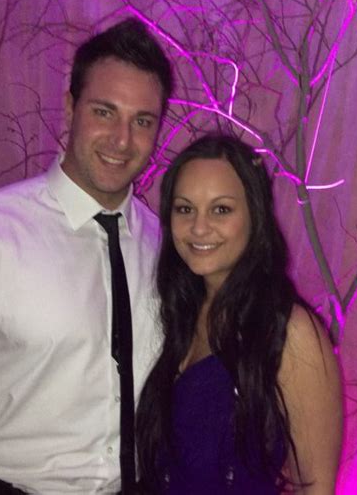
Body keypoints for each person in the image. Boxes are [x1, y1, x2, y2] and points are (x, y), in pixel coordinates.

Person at [0, 18, 173, 494]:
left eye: (142, 121)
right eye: (104, 112)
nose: (122, 139)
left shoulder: (165, 246)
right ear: (69, 108)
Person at [136, 134, 343, 494]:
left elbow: (316, 487)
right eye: (185, 209)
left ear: (255, 215)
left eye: (221, 209)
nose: (199, 227)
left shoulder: (289, 331)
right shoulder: (178, 313)